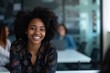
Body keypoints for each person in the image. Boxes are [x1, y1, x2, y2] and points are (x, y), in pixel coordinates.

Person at [10, 7, 58, 73]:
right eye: (33, 28)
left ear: (46, 32)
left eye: (42, 29)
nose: (37, 33)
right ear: (26, 30)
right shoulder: (16, 47)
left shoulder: (50, 50)